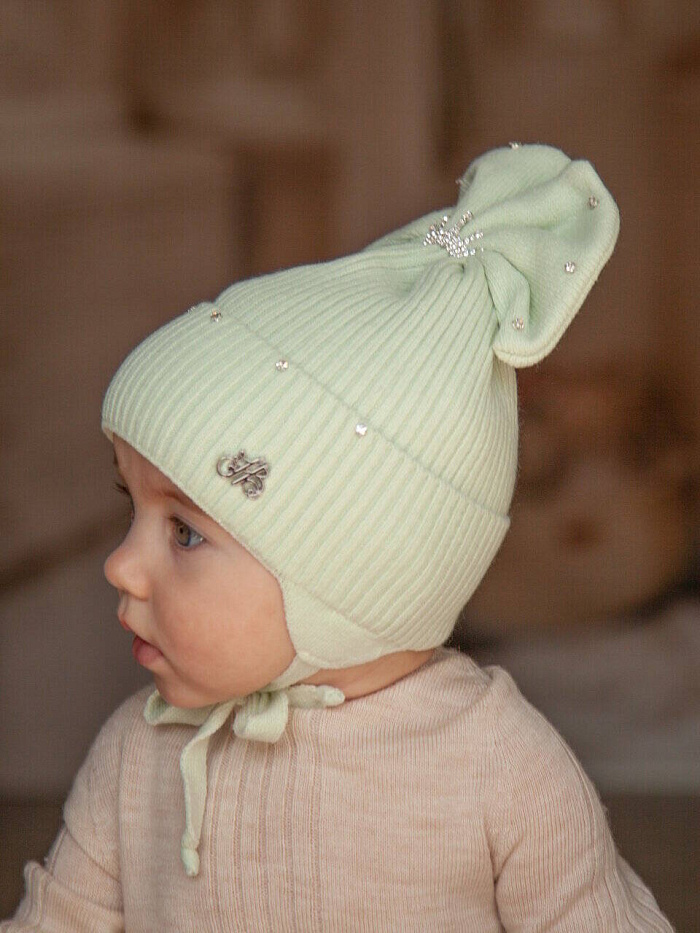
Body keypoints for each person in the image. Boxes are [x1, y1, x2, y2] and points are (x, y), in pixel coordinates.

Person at [2, 144, 675, 931]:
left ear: (353, 575)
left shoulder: (496, 761)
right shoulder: (138, 753)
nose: (121, 565)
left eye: (183, 531)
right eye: (133, 509)